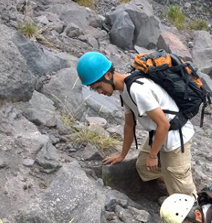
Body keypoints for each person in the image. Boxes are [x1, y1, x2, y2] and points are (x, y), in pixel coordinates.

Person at [76, 51, 196, 196]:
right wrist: (122, 155)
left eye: (98, 87)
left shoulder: (137, 90)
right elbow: (129, 125)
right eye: (95, 89)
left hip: (175, 138)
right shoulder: (124, 88)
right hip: (158, 134)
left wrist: (153, 156)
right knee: (143, 167)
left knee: (185, 193)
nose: (99, 92)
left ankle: (185, 195)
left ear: (108, 75)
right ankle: (174, 181)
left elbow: (164, 125)